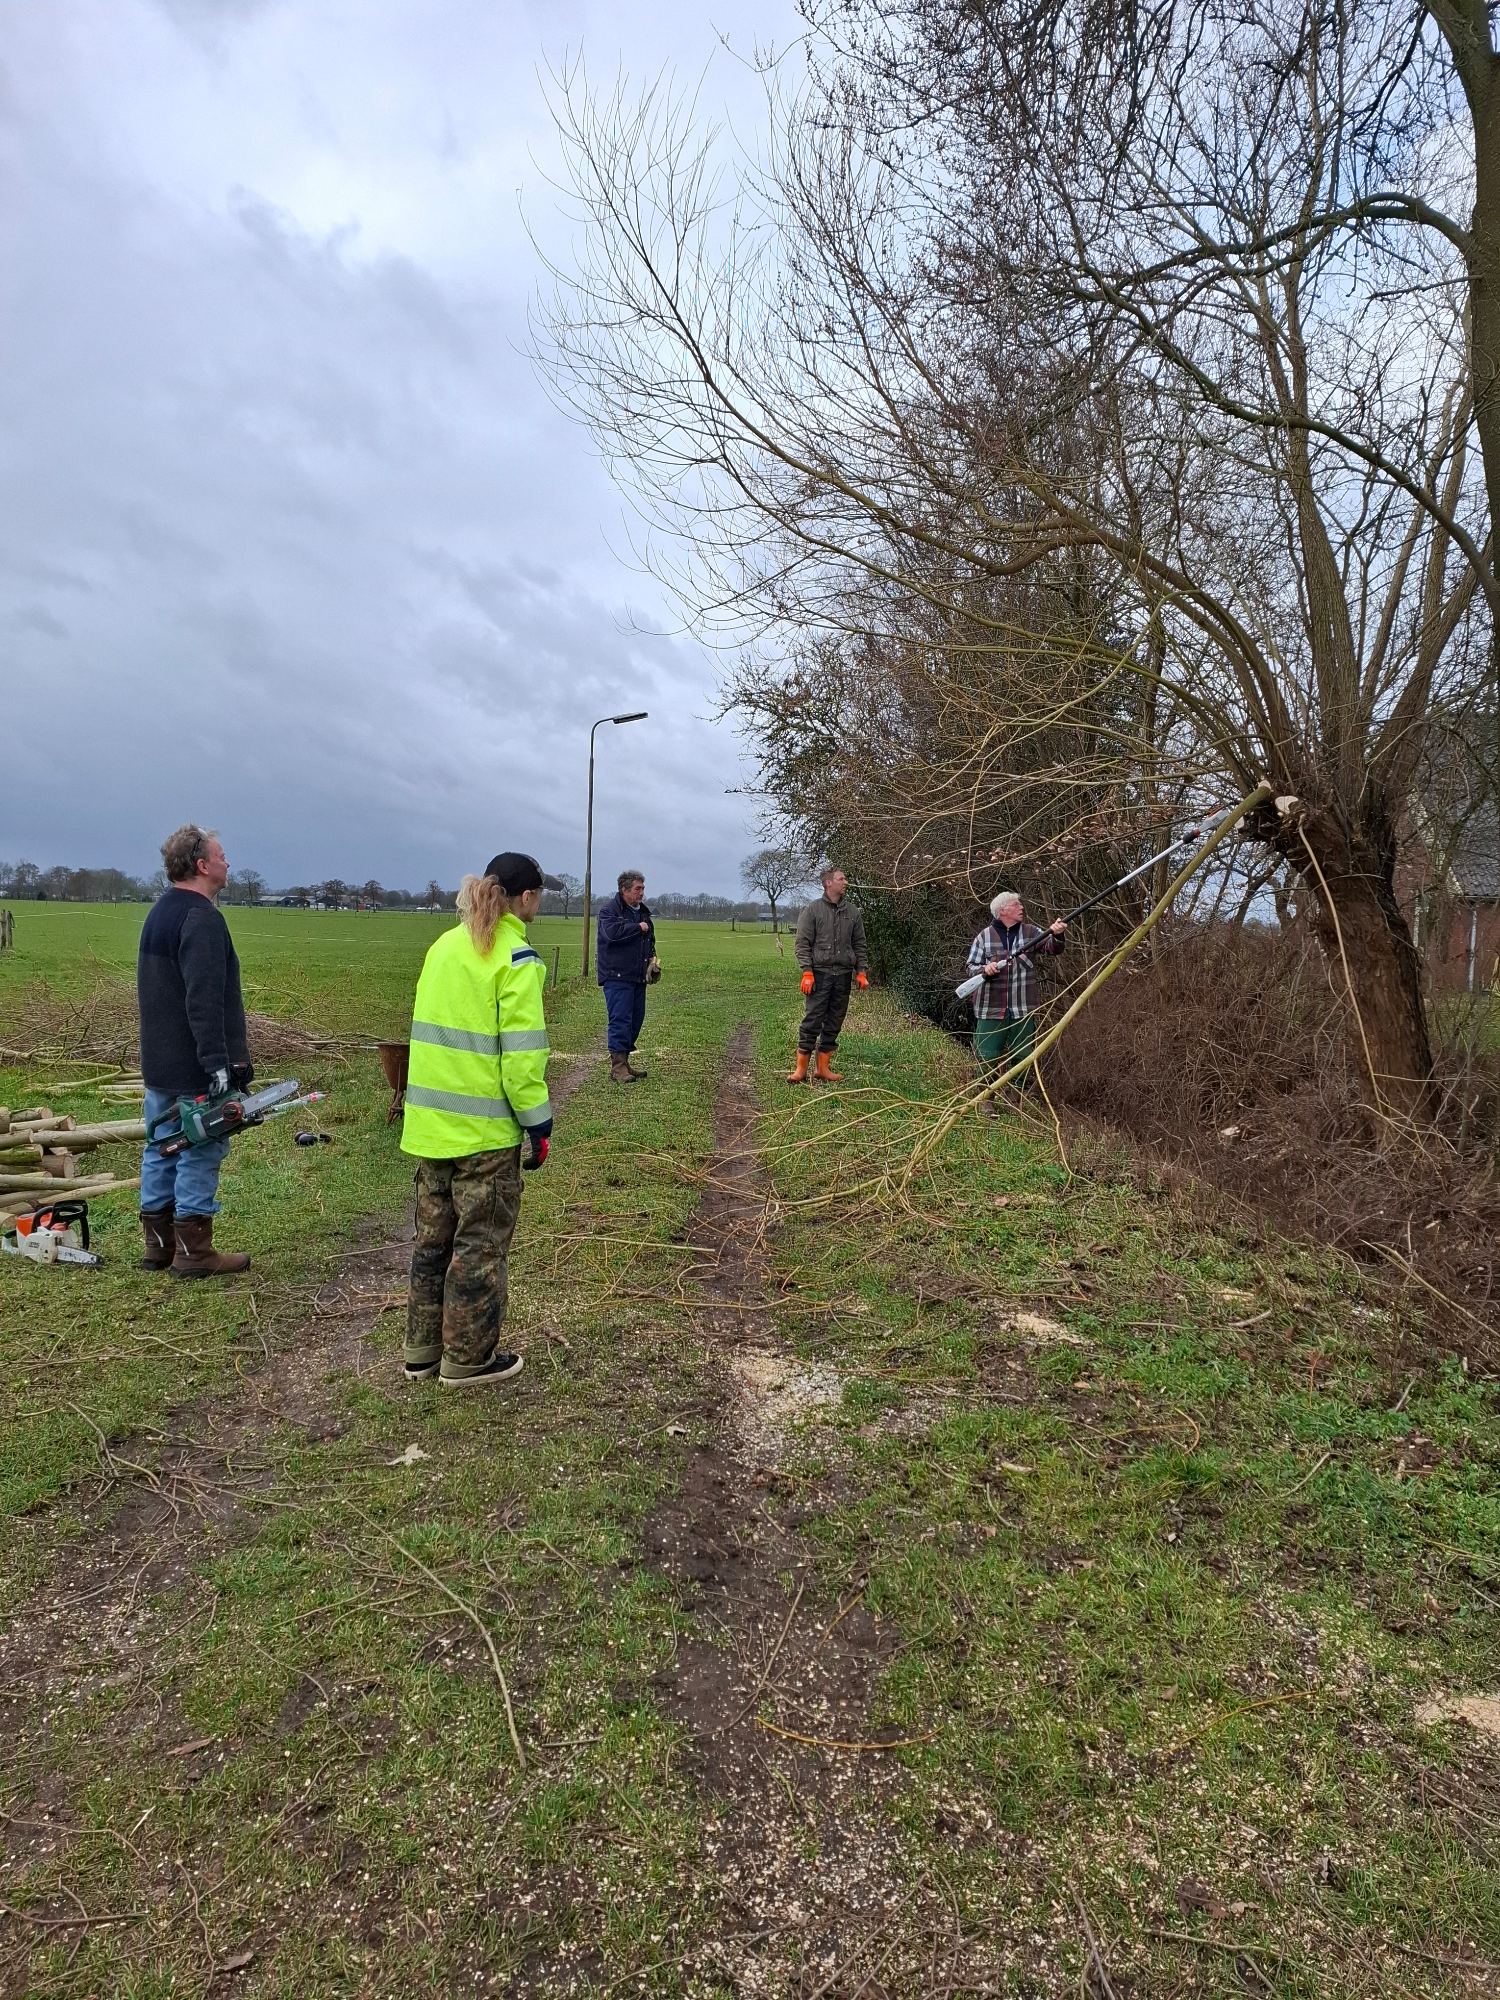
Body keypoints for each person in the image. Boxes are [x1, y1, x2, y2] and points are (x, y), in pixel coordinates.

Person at [401, 853, 561, 1387]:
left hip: (429, 1129)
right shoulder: (516, 957)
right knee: (480, 1247)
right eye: (539, 895)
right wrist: (538, 1124)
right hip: (485, 1137)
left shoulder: (444, 946)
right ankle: (468, 1359)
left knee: (432, 1243)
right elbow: (522, 1060)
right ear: (526, 898)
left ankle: (422, 1351)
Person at [137, 824, 253, 1279]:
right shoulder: (202, 919)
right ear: (203, 865)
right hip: (193, 1064)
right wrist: (218, 1065)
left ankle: (158, 1246)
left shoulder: (159, 913)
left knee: (160, 1145)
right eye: (222, 856)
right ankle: (194, 1252)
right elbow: (203, 1001)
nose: (228, 863)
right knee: (200, 1146)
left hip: (159, 1059)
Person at [965, 891, 1067, 1084]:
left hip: (1023, 1008)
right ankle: (985, 1094)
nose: (1021, 907)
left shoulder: (1031, 932)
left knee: (1023, 1055)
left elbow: (1052, 948)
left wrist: (1058, 935)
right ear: (1002, 910)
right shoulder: (983, 937)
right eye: (1016, 904)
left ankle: (1018, 1094)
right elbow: (970, 968)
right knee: (987, 1055)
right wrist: (985, 969)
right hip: (990, 1008)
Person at [788, 865, 869, 1083]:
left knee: (835, 1021)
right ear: (828, 883)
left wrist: (861, 971)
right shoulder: (812, 910)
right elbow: (802, 944)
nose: (845, 882)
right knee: (812, 1020)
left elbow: (859, 944)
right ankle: (800, 1070)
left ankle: (822, 1069)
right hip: (820, 975)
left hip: (843, 976)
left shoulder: (853, 912)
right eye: (842, 879)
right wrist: (807, 972)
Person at [596, 869, 657, 1084]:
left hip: (638, 977)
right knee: (620, 1019)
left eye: (643, 888)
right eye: (637, 889)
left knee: (635, 1020)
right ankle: (618, 1067)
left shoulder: (643, 913)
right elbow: (612, 934)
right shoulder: (609, 911)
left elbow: (650, 942)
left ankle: (626, 1062)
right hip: (617, 975)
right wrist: (637, 927)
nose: (642, 893)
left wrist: (653, 963)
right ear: (624, 889)